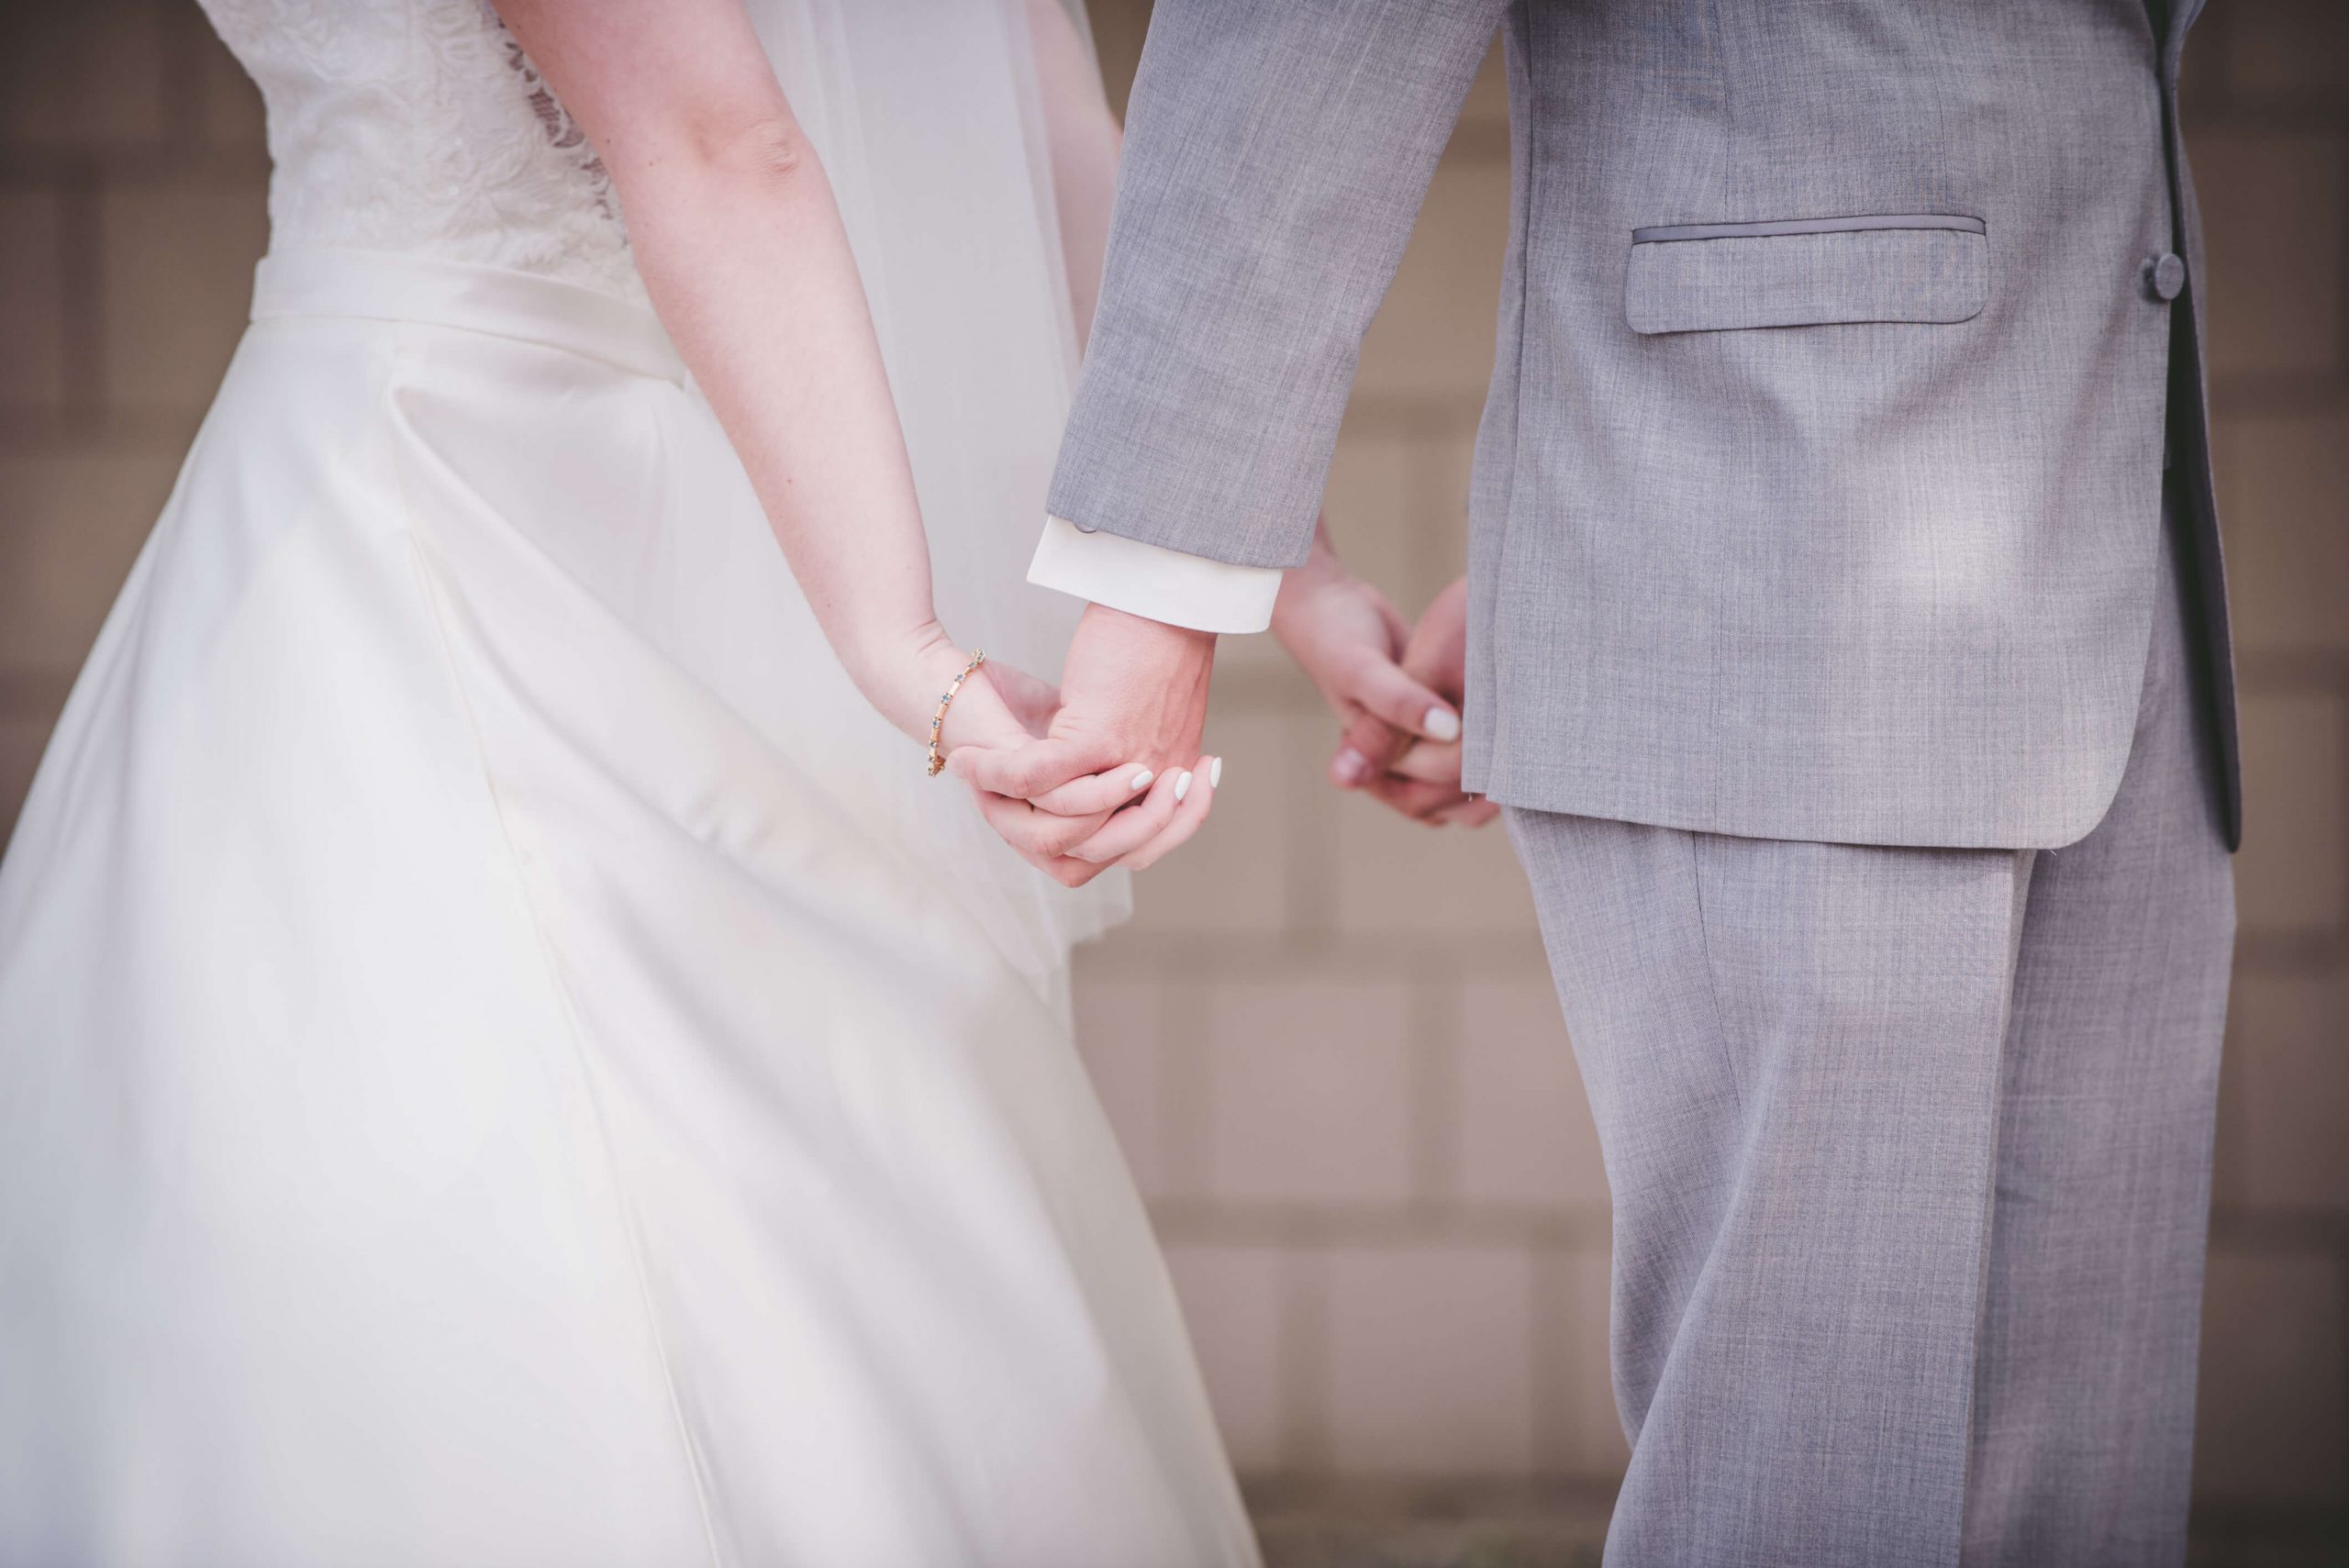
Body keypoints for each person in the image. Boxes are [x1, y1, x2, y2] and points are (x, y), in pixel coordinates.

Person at [0, 0, 1276, 1562]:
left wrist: (1270, 572)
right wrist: (908, 652)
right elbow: (723, 140)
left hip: (439, 480)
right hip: (495, 513)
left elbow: (971, 121)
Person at [966, 2, 2240, 1563]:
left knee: (2076, 1496)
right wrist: (1158, 598)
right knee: (1804, 1488)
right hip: (1787, 553)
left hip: (2118, 543)